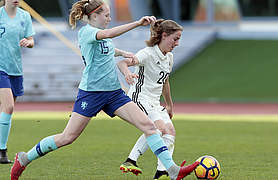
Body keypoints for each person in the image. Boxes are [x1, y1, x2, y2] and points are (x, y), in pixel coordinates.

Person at [10, 0, 198, 179]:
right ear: (94, 16)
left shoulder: (101, 34)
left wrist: (122, 53)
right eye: (106, 15)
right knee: (67, 137)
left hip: (114, 94)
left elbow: (108, 47)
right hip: (91, 94)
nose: (109, 18)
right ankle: (24, 158)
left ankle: (172, 170)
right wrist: (137, 23)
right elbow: (107, 36)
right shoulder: (87, 32)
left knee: (149, 127)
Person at [117, 19, 183, 180]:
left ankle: (161, 172)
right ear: (164, 35)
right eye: (175, 39)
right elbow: (122, 63)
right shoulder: (147, 53)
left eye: (179, 39)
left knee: (170, 132)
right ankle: (130, 160)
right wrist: (127, 73)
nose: (177, 43)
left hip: (154, 101)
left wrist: (169, 105)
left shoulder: (169, 58)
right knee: (158, 128)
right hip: (139, 97)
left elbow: (165, 81)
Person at [0, 0, 35, 164]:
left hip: (16, 70)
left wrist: (28, 42)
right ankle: (2, 151)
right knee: (8, 107)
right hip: (1, 69)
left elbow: (31, 40)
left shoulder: (25, 16)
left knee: (5, 111)